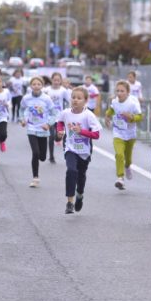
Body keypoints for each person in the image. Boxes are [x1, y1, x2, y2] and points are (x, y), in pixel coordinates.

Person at [57, 86, 102, 214]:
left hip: (84, 151)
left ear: (85, 101)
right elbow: (59, 122)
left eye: (79, 98)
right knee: (71, 170)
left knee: (81, 176)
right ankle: (70, 202)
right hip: (70, 148)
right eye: (73, 97)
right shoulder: (65, 113)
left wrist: (81, 131)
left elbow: (96, 135)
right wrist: (60, 131)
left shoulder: (89, 115)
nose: (75, 100)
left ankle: (80, 195)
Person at [105, 81, 142, 190]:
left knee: (128, 158)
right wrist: (107, 117)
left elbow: (140, 116)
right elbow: (111, 109)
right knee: (119, 154)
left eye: (122, 91)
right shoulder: (115, 101)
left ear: (127, 92)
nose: (119, 93)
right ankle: (120, 178)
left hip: (130, 134)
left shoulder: (132, 103)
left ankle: (127, 166)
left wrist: (131, 117)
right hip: (118, 133)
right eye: (118, 91)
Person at [20, 76, 56, 187]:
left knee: (42, 157)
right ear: (31, 86)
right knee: (35, 153)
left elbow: (54, 113)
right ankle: (35, 178)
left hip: (43, 129)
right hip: (31, 129)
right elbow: (22, 110)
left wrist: (48, 124)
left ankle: (41, 159)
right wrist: (23, 119)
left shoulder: (46, 99)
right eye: (34, 84)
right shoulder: (26, 98)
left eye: (38, 84)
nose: (36, 86)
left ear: (42, 86)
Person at [44, 72, 70, 164]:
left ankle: (58, 139)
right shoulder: (46, 90)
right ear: (51, 80)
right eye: (54, 80)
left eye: (58, 80)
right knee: (51, 136)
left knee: (58, 137)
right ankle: (51, 156)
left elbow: (69, 101)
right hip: (50, 116)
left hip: (60, 116)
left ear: (60, 81)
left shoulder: (63, 91)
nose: (56, 82)